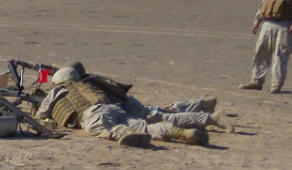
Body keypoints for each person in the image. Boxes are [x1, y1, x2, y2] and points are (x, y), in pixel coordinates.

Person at [36, 63, 234, 147]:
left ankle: (177, 134)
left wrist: (46, 120)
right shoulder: (91, 83)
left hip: (95, 113)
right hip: (116, 105)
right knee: (160, 115)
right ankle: (208, 119)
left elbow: (42, 114)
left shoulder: (59, 90)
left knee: (116, 129)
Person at [242, 0, 292, 92]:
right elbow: (263, 4)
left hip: (285, 24)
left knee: (280, 55)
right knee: (261, 53)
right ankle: (256, 81)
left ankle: (276, 85)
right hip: (267, 23)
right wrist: (257, 20)